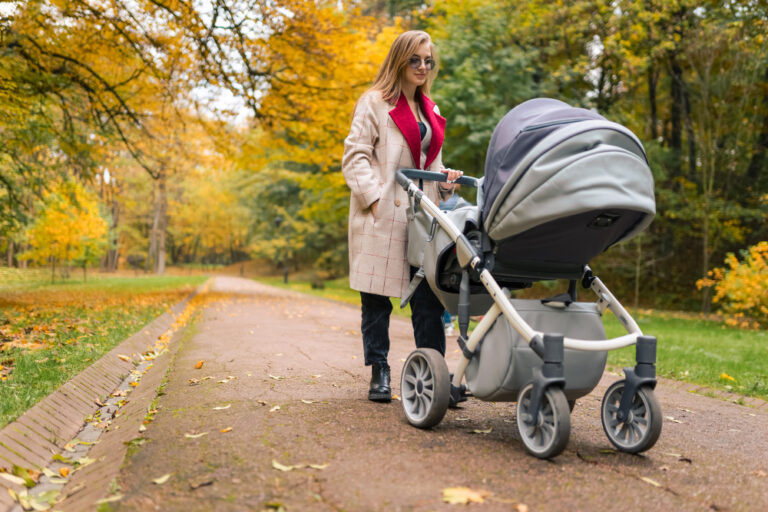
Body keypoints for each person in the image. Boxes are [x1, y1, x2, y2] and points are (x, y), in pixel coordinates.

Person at [341, 30, 462, 402]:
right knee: (376, 298)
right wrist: (375, 200)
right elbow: (355, 157)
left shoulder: (432, 109)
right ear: (400, 60)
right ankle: (380, 370)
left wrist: (445, 184)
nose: (423, 67)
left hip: (421, 218)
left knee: (429, 297)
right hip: (384, 211)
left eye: (428, 61)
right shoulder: (374, 102)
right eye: (415, 60)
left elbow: (432, 165)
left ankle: (434, 377)